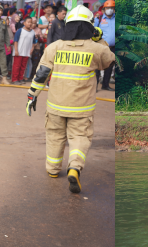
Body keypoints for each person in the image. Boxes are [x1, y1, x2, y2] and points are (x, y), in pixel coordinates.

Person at [24, 5, 114, 193]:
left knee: (55, 136)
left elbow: (41, 74)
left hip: (56, 106)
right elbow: (110, 61)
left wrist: (32, 96)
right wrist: (100, 39)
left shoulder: (54, 47)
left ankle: (53, 170)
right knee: (80, 137)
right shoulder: (96, 49)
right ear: (90, 27)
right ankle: (74, 167)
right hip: (81, 108)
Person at [95, 0, 115, 91]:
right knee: (97, 66)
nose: (110, 10)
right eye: (108, 8)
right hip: (101, 47)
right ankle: (94, 86)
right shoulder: (98, 19)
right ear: (104, 9)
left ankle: (105, 85)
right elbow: (93, 32)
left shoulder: (116, 19)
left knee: (109, 66)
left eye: (111, 8)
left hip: (112, 47)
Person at [12, 17, 36, 85]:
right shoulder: (20, 30)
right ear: (24, 23)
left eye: (31, 22)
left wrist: (32, 48)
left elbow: (34, 42)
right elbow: (15, 41)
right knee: (17, 66)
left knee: (23, 67)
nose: (30, 23)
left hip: (27, 52)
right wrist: (16, 50)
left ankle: (20, 78)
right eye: (28, 22)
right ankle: (14, 79)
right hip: (19, 52)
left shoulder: (32, 32)